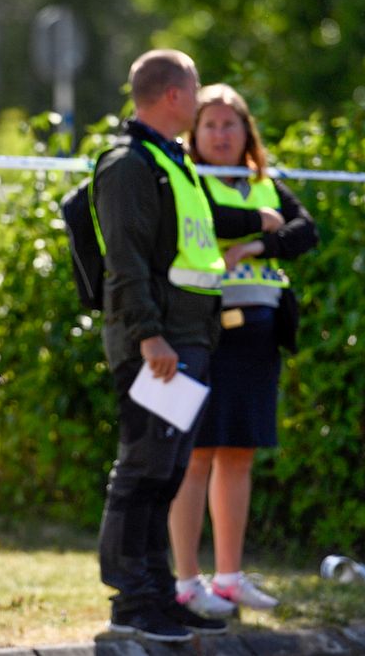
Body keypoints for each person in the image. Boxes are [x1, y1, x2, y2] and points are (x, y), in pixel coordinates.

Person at [93, 50, 281, 643]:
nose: (199, 100)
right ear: (174, 95)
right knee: (143, 468)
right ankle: (131, 600)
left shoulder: (172, 161)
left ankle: (159, 593)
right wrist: (149, 337)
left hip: (189, 340)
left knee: (168, 469)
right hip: (159, 346)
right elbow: (125, 264)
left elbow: (205, 225)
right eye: (195, 89)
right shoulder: (129, 165)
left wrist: (260, 223)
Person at [168, 84, 317, 617]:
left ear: (246, 131)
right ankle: (187, 582)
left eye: (230, 124)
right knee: (194, 456)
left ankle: (229, 579)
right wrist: (258, 223)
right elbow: (205, 224)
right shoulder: (187, 178)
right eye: (209, 125)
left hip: (258, 333)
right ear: (195, 133)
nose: (220, 134)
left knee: (239, 454)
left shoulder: (262, 182)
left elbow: (305, 231)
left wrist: (257, 244)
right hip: (201, 330)